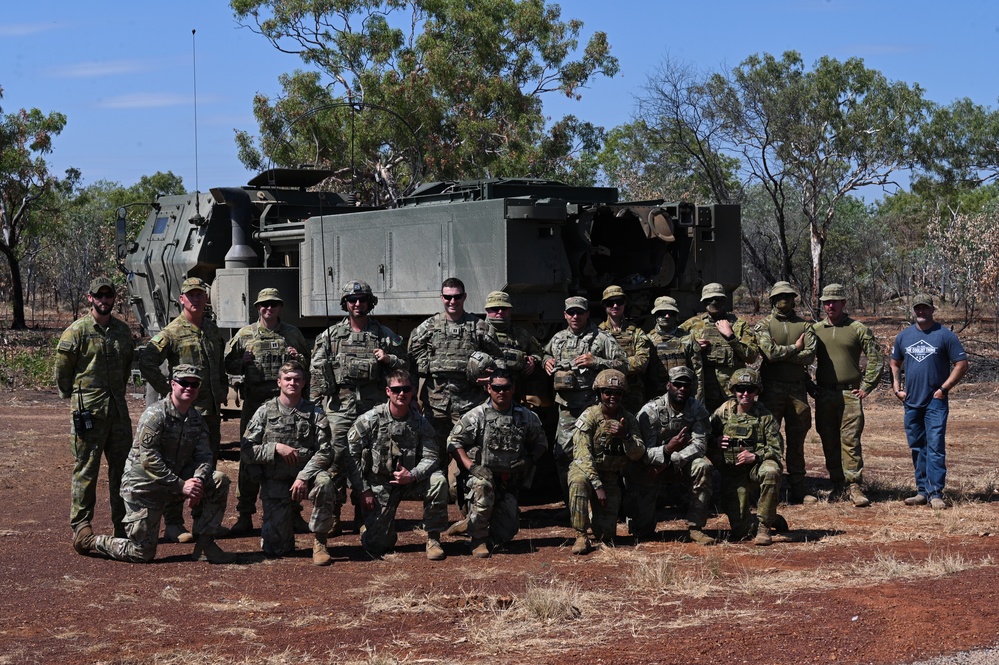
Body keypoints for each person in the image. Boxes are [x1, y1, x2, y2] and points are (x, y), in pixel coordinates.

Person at [76, 365, 235, 564]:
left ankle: (205, 545)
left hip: (175, 482)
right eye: (184, 383)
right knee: (140, 553)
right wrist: (181, 485)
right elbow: (149, 459)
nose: (189, 387)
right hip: (144, 486)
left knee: (218, 480)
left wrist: (197, 481)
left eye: (194, 384)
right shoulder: (155, 415)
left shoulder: (196, 419)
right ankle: (90, 540)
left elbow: (204, 456)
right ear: (173, 385)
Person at [308, 279, 407, 533]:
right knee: (337, 458)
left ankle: (365, 513)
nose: (358, 304)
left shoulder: (383, 335)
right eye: (352, 300)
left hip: (372, 407)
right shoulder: (329, 336)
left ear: (370, 303)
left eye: (363, 300)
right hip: (340, 407)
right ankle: (333, 512)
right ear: (345, 304)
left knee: (371, 458)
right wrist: (315, 409)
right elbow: (316, 375)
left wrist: (388, 358)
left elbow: (405, 369)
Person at [136, 277, 226, 543]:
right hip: (183, 414)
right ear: (182, 300)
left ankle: (204, 521)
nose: (196, 299)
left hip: (209, 412)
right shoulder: (172, 332)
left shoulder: (211, 329)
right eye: (191, 295)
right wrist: (168, 390)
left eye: (200, 295)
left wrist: (220, 390)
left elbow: (218, 365)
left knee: (207, 465)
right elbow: (147, 360)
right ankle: (174, 523)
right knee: (177, 465)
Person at [57, 277, 135, 549]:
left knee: (124, 470)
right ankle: (81, 525)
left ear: (114, 299)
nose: (104, 301)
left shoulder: (123, 333)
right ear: (89, 298)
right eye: (99, 296)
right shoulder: (76, 332)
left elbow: (125, 370)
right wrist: (78, 398)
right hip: (88, 413)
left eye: (108, 296)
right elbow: (63, 375)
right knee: (86, 468)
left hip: (118, 413)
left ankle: (123, 524)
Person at [224, 288, 310, 535]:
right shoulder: (245, 335)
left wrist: (299, 358)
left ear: (280, 307)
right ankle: (244, 514)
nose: (268, 309)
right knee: (249, 457)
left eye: (273, 304)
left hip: (287, 407)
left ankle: (293, 513)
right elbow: (227, 363)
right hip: (255, 405)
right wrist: (243, 362)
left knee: (290, 457)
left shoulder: (292, 334)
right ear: (257, 308)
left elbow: (309, 363)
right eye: (264, 305)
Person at [408, 277, 502, 494]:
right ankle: (434, 518)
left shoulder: (479, 327)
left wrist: (491, 378)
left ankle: (471, 513)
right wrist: (413, 396)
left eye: (457, 297)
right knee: (433, 459)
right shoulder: (429, 327)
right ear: (441, 297)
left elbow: (499, 360)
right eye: (448, 297)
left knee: (471, 459)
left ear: (464, 297)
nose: (452, 301)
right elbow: (410, 361)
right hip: (436, 405)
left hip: (470, 404)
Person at [343, 369, 448, 561]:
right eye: (397, 389)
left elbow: (432, 457)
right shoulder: (371, 419)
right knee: (377, 545)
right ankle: (371, 523)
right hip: (381, 483)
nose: (402, 394)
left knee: (438, 480)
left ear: (412, 391)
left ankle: (433, 538)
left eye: (406, 389)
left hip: (411, 481)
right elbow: (351, 456)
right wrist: (363, 490)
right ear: (388, 391)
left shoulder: (420, 422)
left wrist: (413, 474)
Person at [447, 369, 548, 558]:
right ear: (488, 389)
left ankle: (472, 525)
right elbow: (453, 443)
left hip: (507, 482)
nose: (501, 392)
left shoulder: (526, 417)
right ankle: (478, 541)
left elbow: (541, 443)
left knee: (506, 533)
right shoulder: (476, 415)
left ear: (513, 389)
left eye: (506, 388)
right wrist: (472, 467)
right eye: (496, 388)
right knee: (483, 487)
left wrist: (529, 460)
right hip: (479, 479)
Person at [241, 361, 333, 563]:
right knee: (277, 550)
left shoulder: (315, 412)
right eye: (288, 379)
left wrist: (303, 476)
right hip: (276, 480)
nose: (292, 383)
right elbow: (247, 451)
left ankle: (320, 542)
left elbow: (325, 451)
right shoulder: (265, 411)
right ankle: (285, 519)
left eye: (297, 379)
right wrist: (274, 448)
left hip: (306, 479)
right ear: (279, 382)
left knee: (325, 483)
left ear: (303, 383)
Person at [889, 294, 968, 510]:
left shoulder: (944, 335)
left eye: (925, 308)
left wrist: (944, 389)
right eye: (918, 309)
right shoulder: (904, 336)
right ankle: (922, 491)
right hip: (912, 401)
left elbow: (961, 364)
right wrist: (898, 389)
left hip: (935, 401)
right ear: (913, 311)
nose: (921, 312)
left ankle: (935, 493)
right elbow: (895, 363)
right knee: (917, 446)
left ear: (933, 310)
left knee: (935, 446)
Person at [543, 297, 627, 498]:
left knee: (597, 453)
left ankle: (599, 504)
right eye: (571, 312)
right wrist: (545, 361)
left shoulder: (601, 338)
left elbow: (624, 365)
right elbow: (544, 354)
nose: (575, 316)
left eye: (579, 312)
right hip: (566, 410)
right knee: (563, 456)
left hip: (593, 407)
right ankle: (572, 503)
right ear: (564, 315)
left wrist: (596, 361)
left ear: (587, 313)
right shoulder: (558, 338)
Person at [812, 283, 884, 507]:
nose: (829, 305)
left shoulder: (857, 328)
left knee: (850, 441)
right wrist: (808, 385)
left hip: (850, 394)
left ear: (844, 303)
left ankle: (854, 486)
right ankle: (837, 484)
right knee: (828, 440)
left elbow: (876, 356)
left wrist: (867, 386)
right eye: (826, 302)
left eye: (834, 301)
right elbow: (799, 358)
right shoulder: (815, 330)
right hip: (824, 394)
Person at [626, 366, 715, 545]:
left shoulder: (697, 409)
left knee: (702, 466)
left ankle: (695, 528)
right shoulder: (650, 411)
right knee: (641, 532)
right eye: (677, 384)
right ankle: (638, 520)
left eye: (686, 385)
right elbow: (644, 452)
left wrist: (672, 459)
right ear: (668, 385)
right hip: (651, 467)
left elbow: (700, 445)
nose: (682, 389)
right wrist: (667, 449)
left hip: (676, 464)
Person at [567, 369, 645, 555]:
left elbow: (638, 453)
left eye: (617, 393)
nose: (612, 397)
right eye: (607, 392)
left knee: (607, 536)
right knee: (577, 482)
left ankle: (596, 518)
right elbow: (582, 454)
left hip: (610, 476)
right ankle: (581, 536)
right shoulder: (590, 416)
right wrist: (596, 485)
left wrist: (625, 436)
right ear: (599, 393)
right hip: (586, 471)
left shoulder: (628, 419)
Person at [753, 281, 816, 504]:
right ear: (771, 300)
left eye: (788, 296)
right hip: (771, 388)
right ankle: (771, 486)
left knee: (797, 439)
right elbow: (768, 354)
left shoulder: (805, 325)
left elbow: (809, 356)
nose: (784, 301)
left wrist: (784, 353)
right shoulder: (764, 325)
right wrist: (794, 349)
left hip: (797, 389)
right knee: (769, 438)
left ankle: (798, 486)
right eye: (779, 297)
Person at [707, 368, 783, 546]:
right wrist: (716, 440)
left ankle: (764, 527)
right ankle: (773, 520)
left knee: (771, 471)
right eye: (740, 389)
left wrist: (755, 456)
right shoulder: (723, 412)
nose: (745, 394)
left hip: (756, 467)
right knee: (741, 532)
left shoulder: (765, 416)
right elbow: (705, 436)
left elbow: (776, 449)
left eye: (751, 389)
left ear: (757, 391)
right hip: (733, 470)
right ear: (733, 390)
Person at [680, 283, 758, 412]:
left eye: (718, 299)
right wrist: (692, 344)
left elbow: (752, 357)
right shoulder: (692, 325)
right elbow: (674, 347)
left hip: (732, 391)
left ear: (724, 301)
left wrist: (731, 337)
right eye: (709, 299)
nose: (714, 302)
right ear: (703, 301)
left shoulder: (738, 324)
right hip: (703, 390)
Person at [598, 285, 651, 412]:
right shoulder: (597, 333)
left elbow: (642, 362)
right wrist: (627, 364)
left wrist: (610, 365)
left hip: (632, 392)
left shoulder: (637, 332)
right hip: (606, 393)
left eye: (619, 302)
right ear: (605, 305)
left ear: (625, 304)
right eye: (610, 302)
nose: (615, 306)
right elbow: (593, 363)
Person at [481, 290, 544, 400]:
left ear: (509, 310)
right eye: (495, 309)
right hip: (483, 395)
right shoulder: (478, 333)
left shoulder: (521, 334)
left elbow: (539, 351)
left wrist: (533, 360)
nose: (500, 312)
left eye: (504, 309)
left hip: (513, 394)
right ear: (487, 310)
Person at [645, 295, 703, 400]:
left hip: (683, 396)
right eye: (662, 313)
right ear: (655, 315)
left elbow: (697, 374)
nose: (667, 316)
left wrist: (697, 402)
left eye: (671, 313)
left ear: (676, 316)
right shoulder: (648, 340)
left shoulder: (688, 339)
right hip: (656, 398)